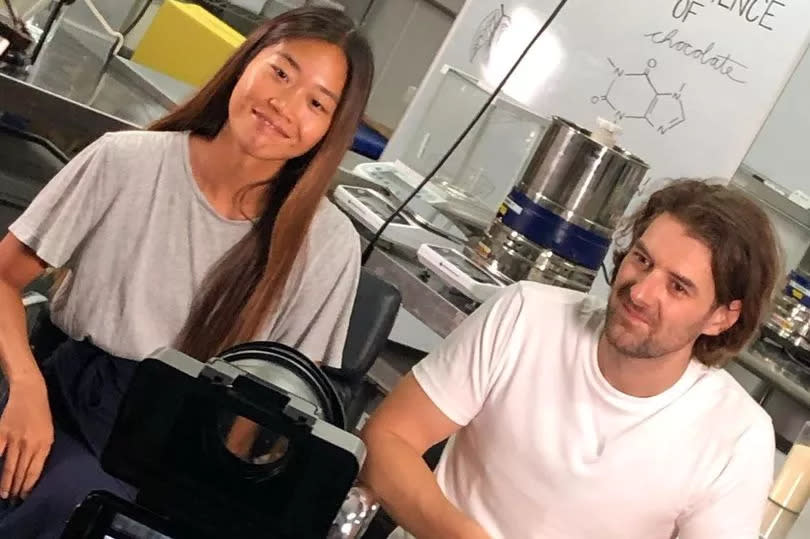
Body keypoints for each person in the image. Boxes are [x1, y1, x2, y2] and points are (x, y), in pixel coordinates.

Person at [0, 7, 373, 537]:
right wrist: (25, 387)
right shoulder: (125, 161)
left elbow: (280, 413)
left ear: (331, 130)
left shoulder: (328, 244)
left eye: (316, 102)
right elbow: (4, 277)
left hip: (201, 449)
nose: (283, 106)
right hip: (73, 401)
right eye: (281, 72)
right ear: (246, 62)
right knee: (64, 501)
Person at [361, 180, 781, 539]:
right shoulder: (525, 315)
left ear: (722, 316)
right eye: (642, 260)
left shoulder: (737, 435)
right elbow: (387, 440)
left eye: (678, 287)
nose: (640, 292)